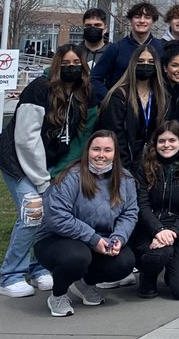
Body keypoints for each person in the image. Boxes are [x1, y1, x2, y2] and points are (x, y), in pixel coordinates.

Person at [0, 45, 95, 298]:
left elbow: (79, 136)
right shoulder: (39, 89)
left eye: (76, 62)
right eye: (66, 62)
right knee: (33, 211)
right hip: (18, 161)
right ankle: (11, 275)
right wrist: (42, 179)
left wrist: (58, 171)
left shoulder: (83, 93)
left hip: (50, 164)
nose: (72, 67)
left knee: (50, 214)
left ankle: (38, 269)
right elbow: (26, 139)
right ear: (57, 64)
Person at [34, 130, 138, 317]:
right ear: (87, 151)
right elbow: (57, 216)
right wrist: (93, 238)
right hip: (57, 239)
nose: (101, 155)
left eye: (107, 150)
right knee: (77, 258)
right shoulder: (71, 176)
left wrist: (118, 238)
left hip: (101, 239)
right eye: (96, 149)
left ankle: (85, 282)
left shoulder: (125, 179)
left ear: (115, 154)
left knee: (125, 262)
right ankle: (58, 294)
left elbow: (130, 213)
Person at [131, 121, 179, 300]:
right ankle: (148, 276)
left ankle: (174, 271)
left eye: (172, 140)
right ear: (155, 143)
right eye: (162, 141)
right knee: (159, 254)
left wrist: (172, 232)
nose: (167, 145)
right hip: (149, 229)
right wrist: (158, 230)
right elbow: (142, 204)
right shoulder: (144, 166)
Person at [100, 42, 167, 170]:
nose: (145, 65)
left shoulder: (161, 97)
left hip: (152, 164)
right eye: (141, 61)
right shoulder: (118, 96)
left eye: (150, 62)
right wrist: (126, 169)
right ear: (133, 64)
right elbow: (115, 136)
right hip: (123, 165)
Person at [91, 2, 161, 100]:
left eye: (147, 17)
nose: (142, 21)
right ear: (130, 20)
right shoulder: (116, 48)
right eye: (137, 17)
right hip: (121, 109)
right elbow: (95, 78)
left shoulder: (161, 48)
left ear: (153, 21)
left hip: (152, 108)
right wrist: (110, 99)